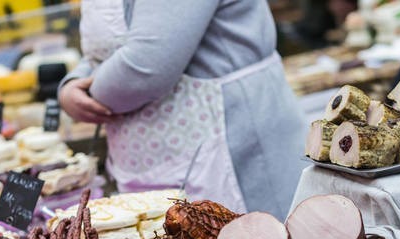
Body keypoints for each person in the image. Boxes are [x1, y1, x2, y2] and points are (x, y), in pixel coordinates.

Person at [59, 0, 306, 218]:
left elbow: (146, 66)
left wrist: (89, 94)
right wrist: (71, 86)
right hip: (165, 161)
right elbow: (107, 49)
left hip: (232, 140)